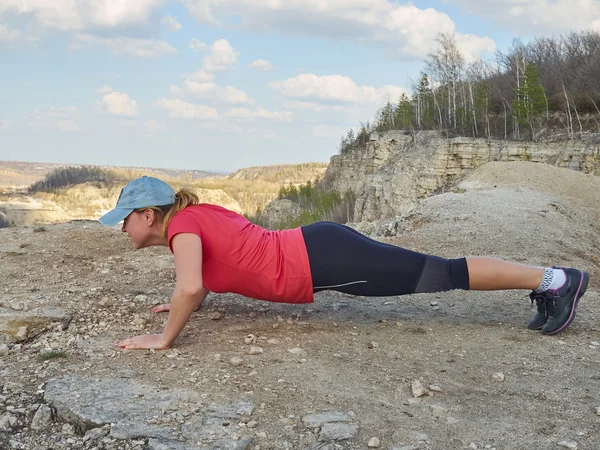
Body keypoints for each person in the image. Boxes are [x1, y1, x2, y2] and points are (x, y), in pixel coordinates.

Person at [98, 176, 590, 350]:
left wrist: (163, 340)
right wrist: (188, 305)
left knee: (445, 273)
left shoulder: (183, 228)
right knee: (440, 270)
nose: (121, 229)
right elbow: (203, 277)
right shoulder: (195, 217)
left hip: (324, 260)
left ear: (148, 214)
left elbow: (187, 286)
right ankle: (551, 281)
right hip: (320, 248)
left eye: (124, 220)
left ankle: (557, 280)